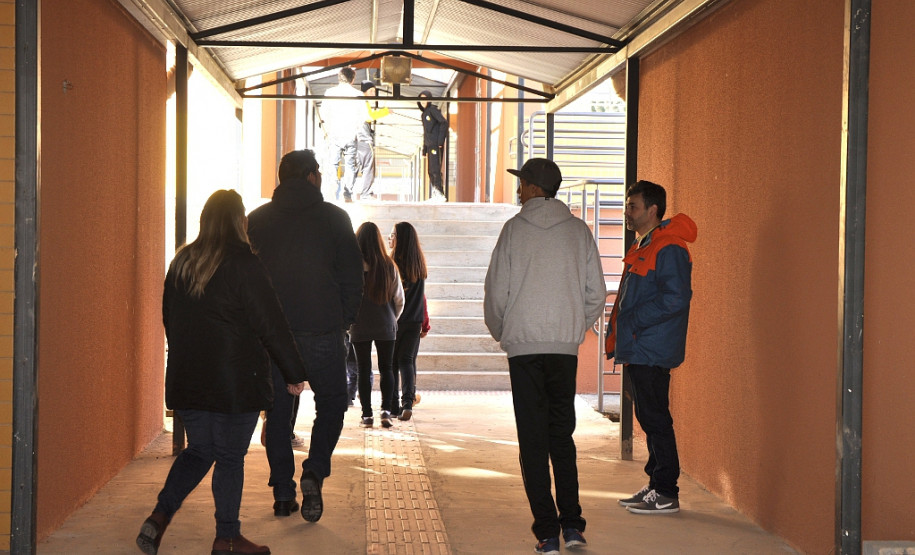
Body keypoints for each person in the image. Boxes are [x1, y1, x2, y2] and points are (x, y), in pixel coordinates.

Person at [137, 190, 307, 555]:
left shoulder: (182, 262)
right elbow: (271, 324)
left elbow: (170, 319)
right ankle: (227, 538)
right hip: (236, 382)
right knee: (229, 457)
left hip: (189, 379)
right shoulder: (245, 264)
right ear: (240, 222)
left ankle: (159, 517)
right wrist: (294, 372)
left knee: (199, 450)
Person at [483, 158, 606, 555]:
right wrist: (573, 329)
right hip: (562, 349)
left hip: (524, 349)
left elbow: (495, 293)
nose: (519, 190)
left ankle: (547, 533)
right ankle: (573, 526)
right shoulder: (578, 232)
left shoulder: (514, 231)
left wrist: (507, 332)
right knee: (561, 436)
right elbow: (596, 294)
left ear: (535, 188)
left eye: (522, 184)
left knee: (532, 441)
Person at [247, 149, 364, 523]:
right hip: (323, 329)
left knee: (278, 412)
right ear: (313, 177)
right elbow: (352, 277)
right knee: (331, 403)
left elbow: (247, 280)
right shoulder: (335, 219)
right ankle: (313, 471)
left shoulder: (257, 220)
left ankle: (283, 494)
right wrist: (343, 321)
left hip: (272, 335)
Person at [605, 180, 696, 515]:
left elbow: (676, 298)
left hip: (650, 347)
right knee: (648, 414)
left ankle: (667, 490)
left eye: (633, 206)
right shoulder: (647, 242)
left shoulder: (668, 247)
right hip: (640, 345)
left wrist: (636, 320)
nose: (627, 212)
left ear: (652, 210)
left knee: (655, 417)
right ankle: (656, 484)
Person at [350, 222, 405, 428]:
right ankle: (385, 411)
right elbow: (399, 299)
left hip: (360, 324)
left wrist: (349, 322)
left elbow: (345, 296)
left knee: (363, 369)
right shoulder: (388, 265)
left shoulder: (352, 266)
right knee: (387, 368)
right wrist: (392, 318)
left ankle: (366, 414)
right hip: (385, 323)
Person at [387, 222, 430, 420]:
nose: (390, 237)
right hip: (414, 321)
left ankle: (394, 405)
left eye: (393, 234)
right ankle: (408, 403)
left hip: (394, 320)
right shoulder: (419, 264)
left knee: (393, 363)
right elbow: (422, 297)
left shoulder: (391, 264)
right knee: (407, 361)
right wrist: (424, 322)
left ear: (400, 239)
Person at [322, 67, 364, 202]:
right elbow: (363, 116)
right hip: (350, 134)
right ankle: (347, 193)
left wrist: (329, 129)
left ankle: (332, 193)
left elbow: (324, 113)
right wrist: (356, 128)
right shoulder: (358, 94)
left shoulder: (330, 92)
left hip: (334, 133)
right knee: (350, 165)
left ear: (339, 78)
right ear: (352, 79)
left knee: (333, 164)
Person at [354, 80, 390, 200]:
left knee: (355, 166)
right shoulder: (363, 101)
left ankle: (347, 192)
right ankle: (366, 194)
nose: (374, 92)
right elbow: (369, 116)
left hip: (356, 139)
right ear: (364, 91)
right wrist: (385, 111)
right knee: (368, 167)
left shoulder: (358, 102)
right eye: (371, 90)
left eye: (375, 90)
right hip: (364, 138)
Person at [417, 90, 448, 201]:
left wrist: (440, 141)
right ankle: (436, 192)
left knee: (435, 169)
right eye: (421, 99)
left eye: (425, 99)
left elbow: (444, 123)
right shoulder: (424, 114)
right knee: (430, 170)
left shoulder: (433, 110)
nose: (422, 101)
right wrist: (424, 150)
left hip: (436, 145)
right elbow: (425, 132)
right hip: (429, 146)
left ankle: (440, 193)